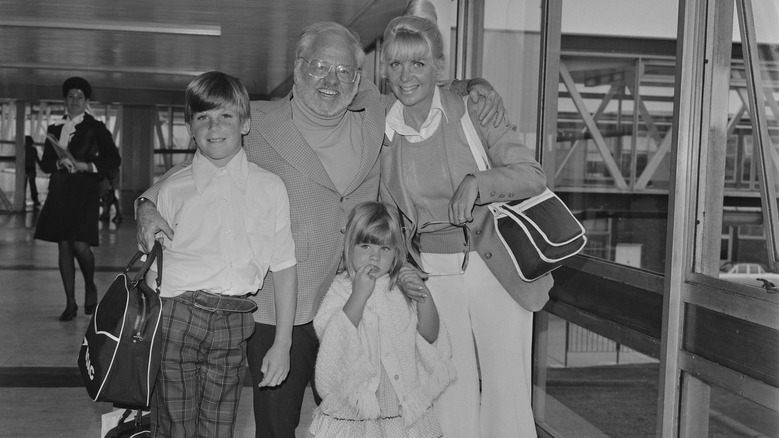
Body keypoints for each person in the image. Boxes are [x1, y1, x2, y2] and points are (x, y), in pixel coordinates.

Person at [136, 21, 504, 437]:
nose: (331, 80)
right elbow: (196, 164)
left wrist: (475, 85)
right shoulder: (258, 121)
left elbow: (416, 81)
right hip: (282, 311)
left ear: (358, 79)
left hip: (356, 298)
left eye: (344, 71)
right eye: (320, 67)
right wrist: (147, 203)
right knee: (277, 427)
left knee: (361, 420)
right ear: (298, 68)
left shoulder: (375, 116)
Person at [378, 3, 554, 437]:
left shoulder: (473, 108)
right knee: (446, 389)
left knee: (506, 389)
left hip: (492, 261)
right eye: (396, 63)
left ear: (439, 66)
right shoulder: (384, 131)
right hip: (432, 274)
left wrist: (478, 182)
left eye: (418, 62)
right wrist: (399, 271)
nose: (406, 75)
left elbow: (532, 176)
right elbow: (388, 214)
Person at [144, 71, 298, 438]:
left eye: (225, 116)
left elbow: (285, 267)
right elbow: (153, 268)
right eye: (203, 118)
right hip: (176, 316)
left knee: (218, 429)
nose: (214, 126)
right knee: (174, 427)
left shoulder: (270, 187)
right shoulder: (172, 190)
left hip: (234, 321)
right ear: (190, 127)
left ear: (245, 123)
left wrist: (282, 343)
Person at [309, 202, 455, 437]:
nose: (375, 257)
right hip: (355, 403)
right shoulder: (341, 288)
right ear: (350, 247)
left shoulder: (400, 289)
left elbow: (429, 336)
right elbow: (332, 337)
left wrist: (422, 295)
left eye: (385, 248)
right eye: (366, 245)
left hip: (397, 399)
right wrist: (359, 295)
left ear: (397, 252)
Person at [35, 77, 121, 321]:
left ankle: (90, 286)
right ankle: (70, 302)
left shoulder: (96, 127)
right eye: (71, 97)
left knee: (81, 246)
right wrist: (58, 161)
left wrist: (86, 165)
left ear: (86, 101)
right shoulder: (54, 128)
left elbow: (113, 159)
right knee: (64, 244)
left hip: (84, 191)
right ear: (65, 100)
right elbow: (45, 163)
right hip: (60, 191)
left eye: (79, 97)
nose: (74, 101)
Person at [24, 135, 41, 208]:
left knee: (23, 185)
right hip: (31, 169)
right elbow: (37, 159)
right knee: (32, 185)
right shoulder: (33, 149)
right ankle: (35, 200)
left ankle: (22, 200)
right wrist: (42, 166)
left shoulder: (23, 149)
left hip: (24, 169)